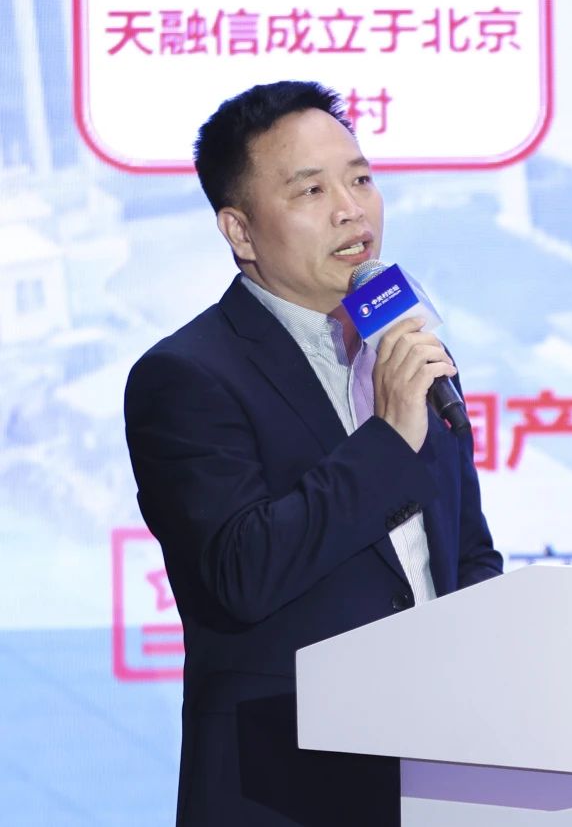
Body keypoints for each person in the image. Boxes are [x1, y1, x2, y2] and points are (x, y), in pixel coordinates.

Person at [123, 81, 503, 826]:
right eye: (311, 190)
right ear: (240, 230)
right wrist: (388, 438)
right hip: (284, 789)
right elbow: (243, 571)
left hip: (441, 778)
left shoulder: (407, 349)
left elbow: (467, 552)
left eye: (360, 179)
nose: (351, 210)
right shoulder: (186, 376)